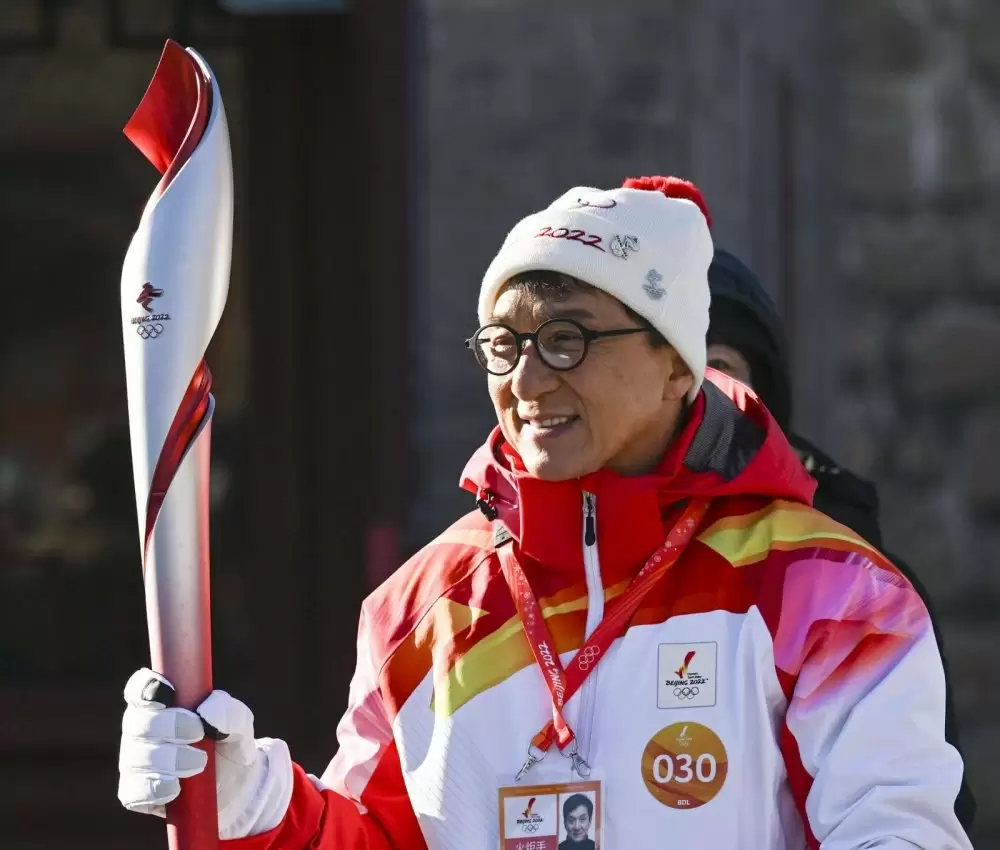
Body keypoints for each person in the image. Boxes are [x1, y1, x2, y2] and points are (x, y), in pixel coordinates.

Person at [118, 176, 972, 848]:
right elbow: (375, 838)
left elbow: (895, 832)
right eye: (504, 343)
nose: (527, 383)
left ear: (677, 365)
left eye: (569, 339)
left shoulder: (824, 589)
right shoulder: (424, 609)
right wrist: (251, 806)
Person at [705, 247, 977, 831]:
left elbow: (913, 814)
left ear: (766, 395)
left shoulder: (852, 582)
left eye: (718, 366)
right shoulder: (551, 570)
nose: (693, 397)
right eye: (671, 370)